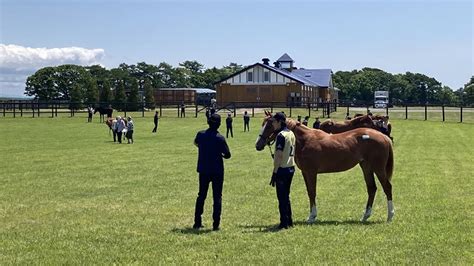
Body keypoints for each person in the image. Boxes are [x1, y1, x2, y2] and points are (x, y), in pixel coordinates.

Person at [193, 114, 231, 231]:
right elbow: (228, 155)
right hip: (217, 170)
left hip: (203, 169)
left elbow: (195, 143)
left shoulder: (201, 135)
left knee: (201, 195)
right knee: (217, 197)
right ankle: (215, 224)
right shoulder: (220, 138)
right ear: (219, 124)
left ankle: (197, 222)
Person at [269, 112, 296, 229]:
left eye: (274, 122)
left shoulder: (280, 135)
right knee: (286, 195)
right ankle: (289, 220)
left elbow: (279, 155)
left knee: (281, 197)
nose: (273, 124)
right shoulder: (291, 133)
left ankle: (283, 222)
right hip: (291, 167)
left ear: (279, 122)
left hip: (282, 169)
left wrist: (274, 172)